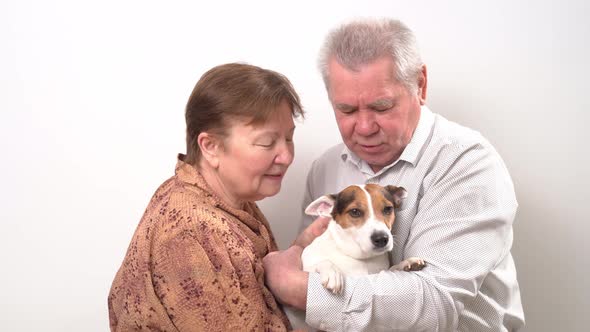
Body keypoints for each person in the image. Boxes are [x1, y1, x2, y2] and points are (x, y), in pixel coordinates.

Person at [263, 18, 525, 331]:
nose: (363, 127)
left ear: (421, 85)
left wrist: (295, 288)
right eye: (346, 110)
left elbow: (434, 305)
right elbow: (315, 262)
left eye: (382, 106)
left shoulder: (467, 164)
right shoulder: (326, 168)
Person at [108, 63, 305, 331]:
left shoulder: (227, 200)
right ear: (210, 147)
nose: (286, 156)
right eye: (267, 143)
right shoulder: (190, 230)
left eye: (289, 139)